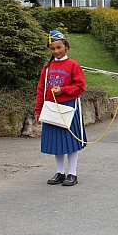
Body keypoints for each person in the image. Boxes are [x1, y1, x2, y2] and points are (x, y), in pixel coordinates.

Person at [35, 30, 86, 187]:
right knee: (57, 142)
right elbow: (41, 89)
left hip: (68, 107)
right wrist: (38, 110)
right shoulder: (47, 67)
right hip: (51, 108)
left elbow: (80, 86)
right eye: (52, 49)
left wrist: (62, 90)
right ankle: (60, 172)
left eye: (59, 47)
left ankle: (72, 173)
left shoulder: (73, 65)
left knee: (70, 141)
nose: (56, 51)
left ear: (66, 46)